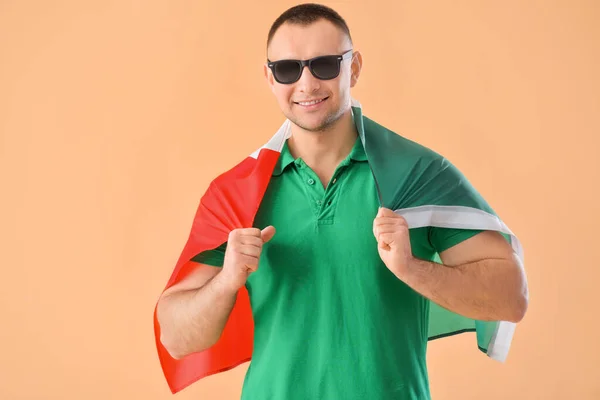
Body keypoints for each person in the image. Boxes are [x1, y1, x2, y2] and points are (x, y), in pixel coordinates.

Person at [154, 3, 529, 399]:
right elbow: (176, 338)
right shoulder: (238, 192)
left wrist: (412, 269)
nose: (307, 84)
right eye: (287, 69)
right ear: (269, 77)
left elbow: (512, 298)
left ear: (354, 67)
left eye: (325, 65)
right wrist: (227, 282)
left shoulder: (416, 174)